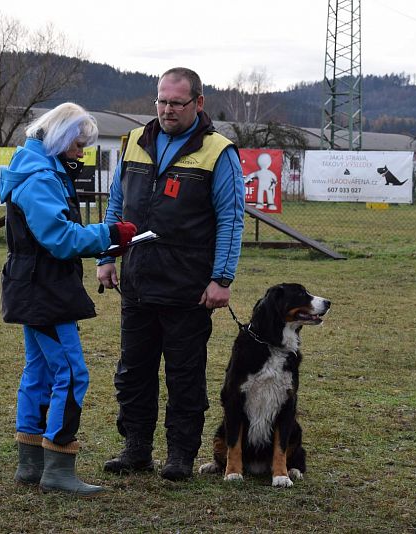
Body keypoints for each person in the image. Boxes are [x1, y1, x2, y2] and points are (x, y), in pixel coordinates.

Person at [97, 67, 245, 481]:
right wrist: (107, 256)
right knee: (133, 372)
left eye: (176, 103)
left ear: (198, 103)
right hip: (138, 283)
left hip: (189, 288)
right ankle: (136, 448)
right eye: (161, 101)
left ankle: (180, 454)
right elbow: (116, 209)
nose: (167, 110)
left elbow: (232, 219)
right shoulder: (134, 144)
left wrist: (222, 279)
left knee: (184, 377)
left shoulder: (219, 152)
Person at [0, 102, 137, 496]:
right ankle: (58, 464)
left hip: (34, 285)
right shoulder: (41, 177)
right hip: (44, 289)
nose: (82, 152)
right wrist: (111, 235)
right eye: (78, 144)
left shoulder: (37, 169)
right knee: (72, 373)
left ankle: (32, 464)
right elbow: (59, 239)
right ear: (60, 139)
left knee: (40, 371)